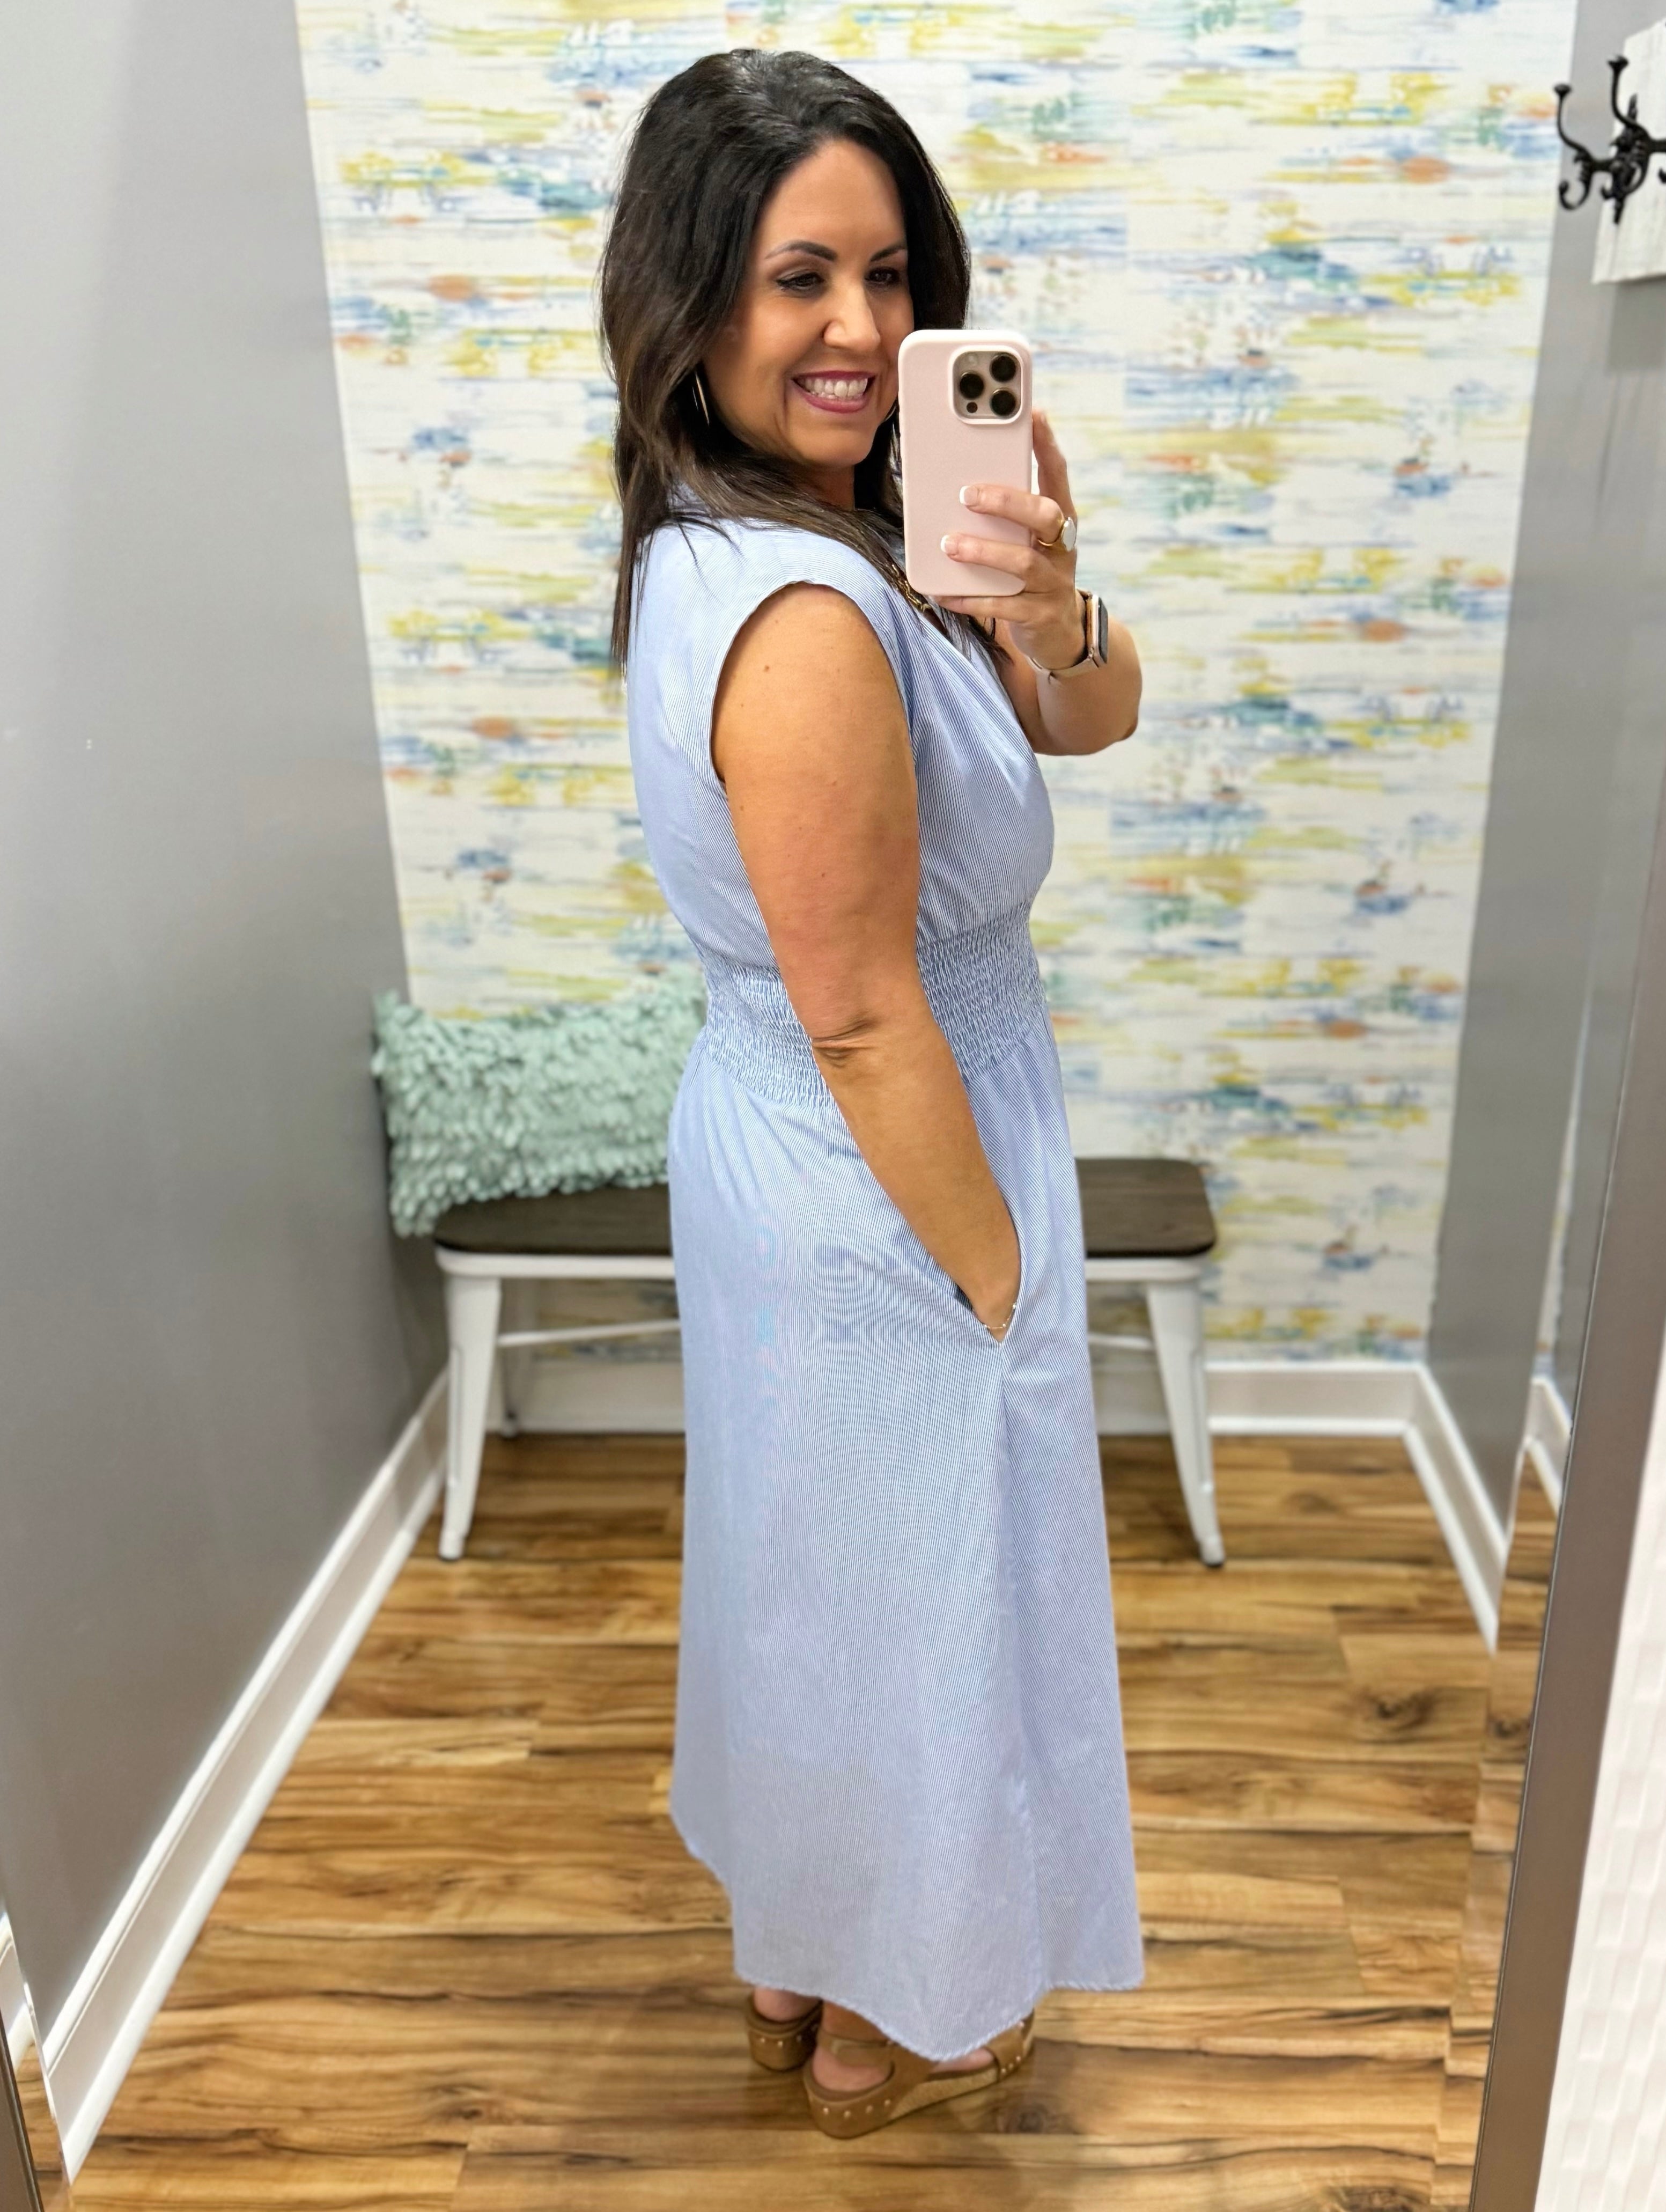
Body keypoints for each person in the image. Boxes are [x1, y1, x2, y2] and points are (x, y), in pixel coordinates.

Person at [600, 47, 1145, 2137]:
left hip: (802, 1144)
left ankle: (796, 1956)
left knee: (822, 1579)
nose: (856, 325)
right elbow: (859, 1009)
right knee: (924, 1594)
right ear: (690, 301)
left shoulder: (779, 535)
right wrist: (998, 1279)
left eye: (890, 273)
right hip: (887, 1152)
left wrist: (1049, 600)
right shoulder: (813, 611)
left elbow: (1091, 715)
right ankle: (885, 2023)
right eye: (796, 276)